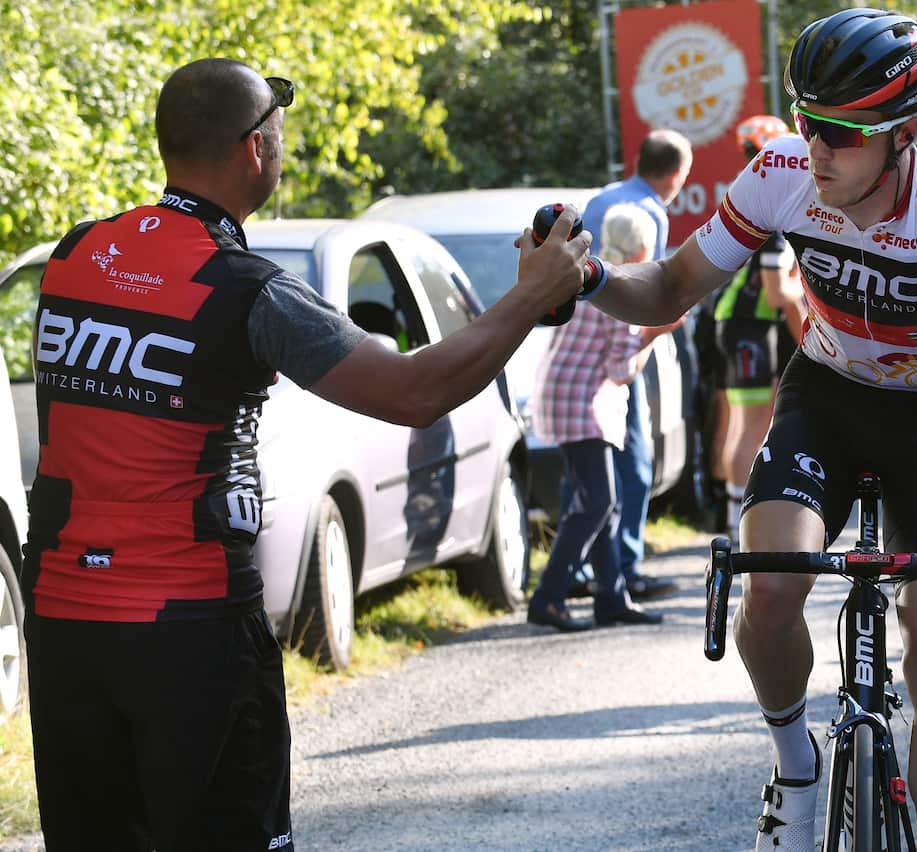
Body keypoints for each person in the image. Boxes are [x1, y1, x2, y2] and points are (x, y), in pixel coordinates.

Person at [19, 58, 588, 852]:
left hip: (62, 624)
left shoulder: (75, 257)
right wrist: (531, 293)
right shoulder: (249, 289)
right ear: (256, 149)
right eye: (278, 134)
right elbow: (415, 391)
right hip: (189, 629)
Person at [590, 11, 917, 851]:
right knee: (767, 590)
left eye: (841, 131)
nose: (816, 147)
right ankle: (795, 770)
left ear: (906, 133)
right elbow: (667, 289)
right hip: (827, 398)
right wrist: (584, 277)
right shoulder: (783, 176)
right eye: (807, 122)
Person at [526, 205, 678, 631]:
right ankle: (548, 596)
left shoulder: (593, 273)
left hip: (568, 398)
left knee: (600, 504)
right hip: (584, 404)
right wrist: (654, 333)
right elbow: (620, 370)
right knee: (598, 502)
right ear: (640, 248)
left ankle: (610, 596)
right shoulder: (618, 287)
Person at [567, 128, 693, 602]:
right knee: (634, 463)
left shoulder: (603, 199)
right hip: (619, 343)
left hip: (580, 347)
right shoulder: (650, 214)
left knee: (586, 467)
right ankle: (624, 568)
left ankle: (585, 570)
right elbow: (648, 288)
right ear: (678, 174)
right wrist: (658, 334)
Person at [715, 114, 805, 541]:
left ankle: (737, 513)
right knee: (751, 422)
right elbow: (775, 294)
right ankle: (736, 521)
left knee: (752, 419)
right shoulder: (775, 214)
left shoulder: (763, 202)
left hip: (750, 323)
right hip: (747, 322)